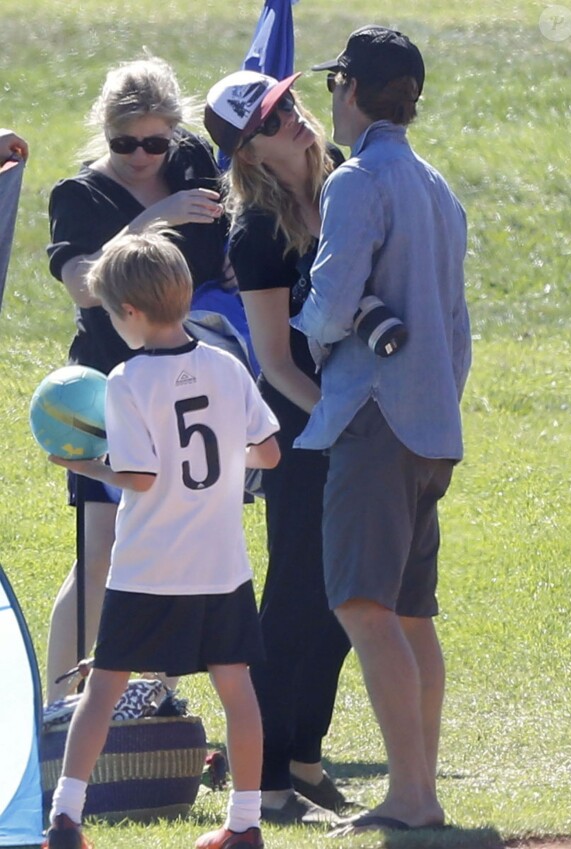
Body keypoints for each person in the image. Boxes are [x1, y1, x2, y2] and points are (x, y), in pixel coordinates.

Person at [44, 227, 280, 849]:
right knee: (237, 691)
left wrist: (86, 466)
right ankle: (245, 823)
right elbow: (269, 453)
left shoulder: (127, 380)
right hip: (221, 563)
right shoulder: (227, 365)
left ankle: (66, 818)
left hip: (148, 565)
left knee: (101, 690)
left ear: (129, 311)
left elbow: (141, 477)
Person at [292, 26, 472, 836]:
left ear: (353, 90)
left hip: (374, 420)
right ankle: (418, 790)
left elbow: (333, 305)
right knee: (407, 614)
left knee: (365, 606)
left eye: (336, 84)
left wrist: (304, 325)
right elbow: (458, 329)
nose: (332, 96)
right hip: (431, 425)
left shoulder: (358, 179)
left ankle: (412, 796)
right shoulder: (437, 186)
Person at [45, 56, 230, 703]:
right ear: (106, 131)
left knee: (176, 553)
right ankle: (58, 708)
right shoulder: (80, 196)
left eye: (156, 142)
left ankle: (156, 701)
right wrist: (157, 218)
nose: (143, 156)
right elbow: (82, 284)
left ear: (175, 131)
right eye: (126, 143)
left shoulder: (191, 161)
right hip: (107, 388)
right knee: (100, 554)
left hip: (186, 388)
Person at [204, 70, 351, 825]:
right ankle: (261, 780)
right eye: (268, 120)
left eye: (287, 103)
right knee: (298, 594)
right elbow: (275, 361)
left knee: (351, 598)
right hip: (304, 423)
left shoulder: (348, 178)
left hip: (360, 415)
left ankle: (304, 758)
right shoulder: (257, 228)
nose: (290, 117)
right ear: (248, 153)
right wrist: (341, 419)